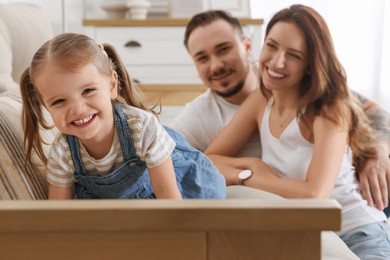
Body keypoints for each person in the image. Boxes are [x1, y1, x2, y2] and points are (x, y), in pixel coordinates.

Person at [204, 4, 390, 258]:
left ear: (311, 63)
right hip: (306, 235)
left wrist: (246, 177)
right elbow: (208, 159)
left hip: (359, 234)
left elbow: (315, 194)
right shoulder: (262, 100)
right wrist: (251, 164)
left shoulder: (329, 109)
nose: (277, 61)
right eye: (271, 45)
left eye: (294, 55)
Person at [170, 9, 390, 212]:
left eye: (224, 49)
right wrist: (251, 165)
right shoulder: (201, 114)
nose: (216, 65)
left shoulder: (291, 81)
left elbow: (366, 108)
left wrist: (376, 151)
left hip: (354, 205)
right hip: (295, 213)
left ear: (247, 46)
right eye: (202, 58)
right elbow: (174, 158)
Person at [19, 32, 226, 200]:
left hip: (177, 188)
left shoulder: (142, 127)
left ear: (112, 85)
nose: (77, 109)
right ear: (45, 105)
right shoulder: (63, 152)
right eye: (59, 101)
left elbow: (169, 199)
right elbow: (58, 216)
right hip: (121, 208)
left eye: (88, 91)